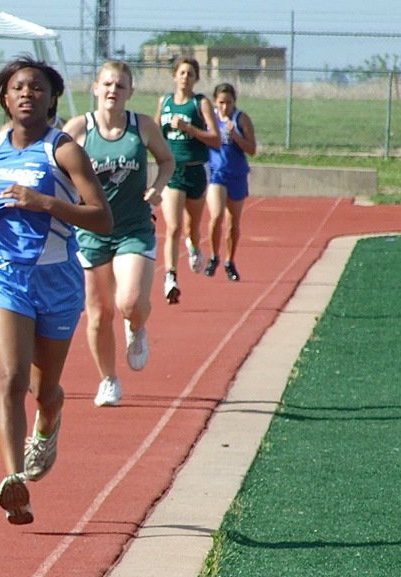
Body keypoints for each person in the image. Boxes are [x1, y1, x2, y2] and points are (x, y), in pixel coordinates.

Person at [0, 56, 112, 525]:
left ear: (51, 98)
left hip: (57, 279)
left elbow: (102, 218)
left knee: (44, 388)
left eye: (37, 88)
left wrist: (44, 202)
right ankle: (14, 481)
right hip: (6, 275)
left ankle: (49, 422)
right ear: (4, 96)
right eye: (19, 87)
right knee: (10, 379)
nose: (27, 94)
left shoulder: (64, 151)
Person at [64, 61, 174, 408]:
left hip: (133, 228)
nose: (113, 91)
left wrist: (157, 187)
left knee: (128, 302)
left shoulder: (141, 126)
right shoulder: (79, 129)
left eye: (120, 85)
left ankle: (137, 325)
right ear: (95, 87)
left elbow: (167, 161)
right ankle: (109, 380)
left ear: (130, 92)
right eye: (107, 84)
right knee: (98, 314)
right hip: (92, 232)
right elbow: (57, 171)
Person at [155, 57, 220, 305]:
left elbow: (215, 139)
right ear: (174, 76)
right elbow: (155, 133)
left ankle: (193, 246)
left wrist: (189, 129)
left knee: (192, 227)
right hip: (174, 171)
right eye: (182, 73)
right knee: (172, 226)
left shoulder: (200, 103)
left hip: (196, 170)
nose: (185, 77)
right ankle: (170, 277)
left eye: (190, 74)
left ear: (196, 78)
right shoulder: (165, 102)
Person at [204, 82, 257, 281]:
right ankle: (213, 256)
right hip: (216, 173)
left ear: (235, 102)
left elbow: (252, 149)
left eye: (228, 103)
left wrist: (235, 135)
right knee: (216, 215)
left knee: (233, 222)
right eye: (220, 103)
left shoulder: (241, 119)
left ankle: (229, 260)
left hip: (237, 173)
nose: (224, 107)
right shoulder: (210, 118)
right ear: (214, 102)